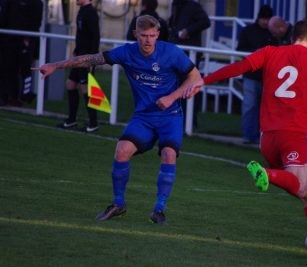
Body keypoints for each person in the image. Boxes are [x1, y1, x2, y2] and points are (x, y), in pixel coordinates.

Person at [184, 20, 307, 266]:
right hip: (295, 134)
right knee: (301, 186)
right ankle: (267, 174)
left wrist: (204, 81)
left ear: (292, 37)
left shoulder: (270, 52)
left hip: (268, 137)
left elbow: (239, 67)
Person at [33, 15, 201, 224]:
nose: (148, 40)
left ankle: (159, 210)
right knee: (122, 150)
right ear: (135, 35)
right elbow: (90, 59)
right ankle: (118, 204)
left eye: (151, 35)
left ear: (157, 34)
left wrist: (172, 97)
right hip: (144, 117)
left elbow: (196, 78)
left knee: (168, 154)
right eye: (143, 36)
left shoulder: (171, 52)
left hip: (170, 117)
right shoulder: (126, 52)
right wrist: (56, 65)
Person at [58, 0, 100, 133]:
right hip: (79, 56)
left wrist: (92, 59)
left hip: (86, 58)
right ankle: (72, 120)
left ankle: (93, 123)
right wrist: (76, 52)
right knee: (70, 84)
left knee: (86, 89)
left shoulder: (91, 13)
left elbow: (95, 37)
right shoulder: (81, 11)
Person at [168, 0, 210, 129]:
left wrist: (188, 31)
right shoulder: (176, 5)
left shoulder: (193, 6)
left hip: (189, 55)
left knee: (188, 88)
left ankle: (189, 122)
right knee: (175, 88)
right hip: (177, 53)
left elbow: (205, 21)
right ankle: (178, 120)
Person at [237, 4, 274, 144]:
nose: (265, 21)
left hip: (268, 77)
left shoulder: (273, 33)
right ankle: (248, 135)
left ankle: (262, 137)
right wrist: (256, 53)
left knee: (265, 109)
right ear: (258, 18)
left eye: (268, 19)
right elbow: (240, 50)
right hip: (251, 75)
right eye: (263, 18)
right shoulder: (248, 31)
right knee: (249, 106)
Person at [0, 0, 43, 107]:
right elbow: (5, 17)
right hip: (9, 39)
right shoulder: (9, 2)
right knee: (8, 68)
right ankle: (9, 97)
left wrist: (28, 38)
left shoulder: (35, 3)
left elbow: (36, 21)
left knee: (25, 68)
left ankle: (25, 96)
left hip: (24, 40)